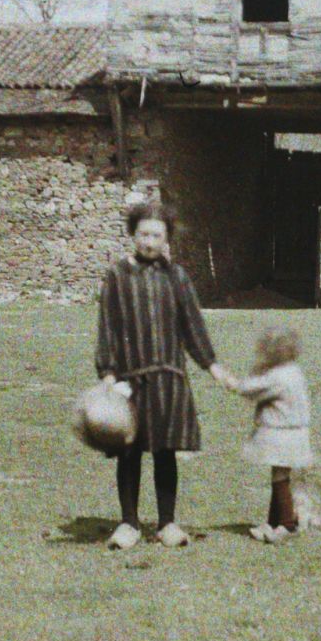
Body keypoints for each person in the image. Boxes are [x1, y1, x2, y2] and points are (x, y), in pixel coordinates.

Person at [94, 200, 235, 549]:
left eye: (157, 235)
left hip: (169, 380)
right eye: (143, 234)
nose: (149, 242)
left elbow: (193, 327)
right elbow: (108, 326)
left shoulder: (177, 278)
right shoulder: (117, 276)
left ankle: (167, 523)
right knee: (129, 451)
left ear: (167, 238)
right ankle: (128, 524)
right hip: (130, 380)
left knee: (165, 451)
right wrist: (108, 372)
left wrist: (213, 366)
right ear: (133, 234)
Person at [230, 325, 317, 543]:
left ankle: (286, 524)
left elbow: (247, 389)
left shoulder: (276, 376)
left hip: (282, 436)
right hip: (296, 435)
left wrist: (226, 378)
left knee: (279, 480)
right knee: (280, 478)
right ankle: (272, 522)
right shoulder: (294, 371)